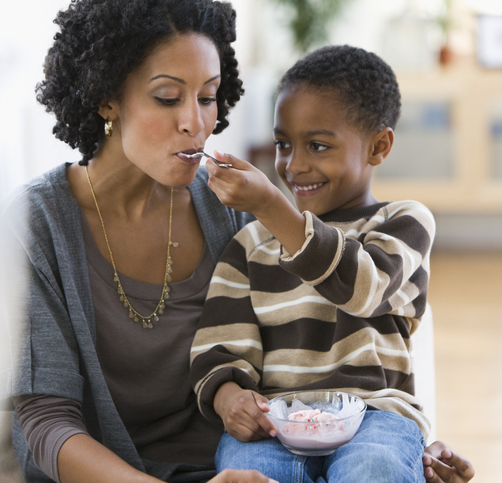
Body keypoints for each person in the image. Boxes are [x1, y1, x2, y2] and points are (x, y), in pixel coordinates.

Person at [4, 1, 272, 482]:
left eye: (208, 96)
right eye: (168, 98)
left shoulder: (225, 207)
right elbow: (45, 425)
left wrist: (393, 436)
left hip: (235, 465)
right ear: (107, 98)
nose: (196, 122)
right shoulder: (35, 224)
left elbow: (305, 343)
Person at [189, 45, 475, 483]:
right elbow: (220, 345)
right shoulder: (249, 244)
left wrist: (271, 206)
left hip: (375, 417)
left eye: (318, 146)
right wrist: (229, 395)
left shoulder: (403, 222)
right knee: (247, 472)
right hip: (274, 421)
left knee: (374, 468)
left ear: (379, 146)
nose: (294, 165)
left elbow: (364, 287)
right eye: (284, 144)